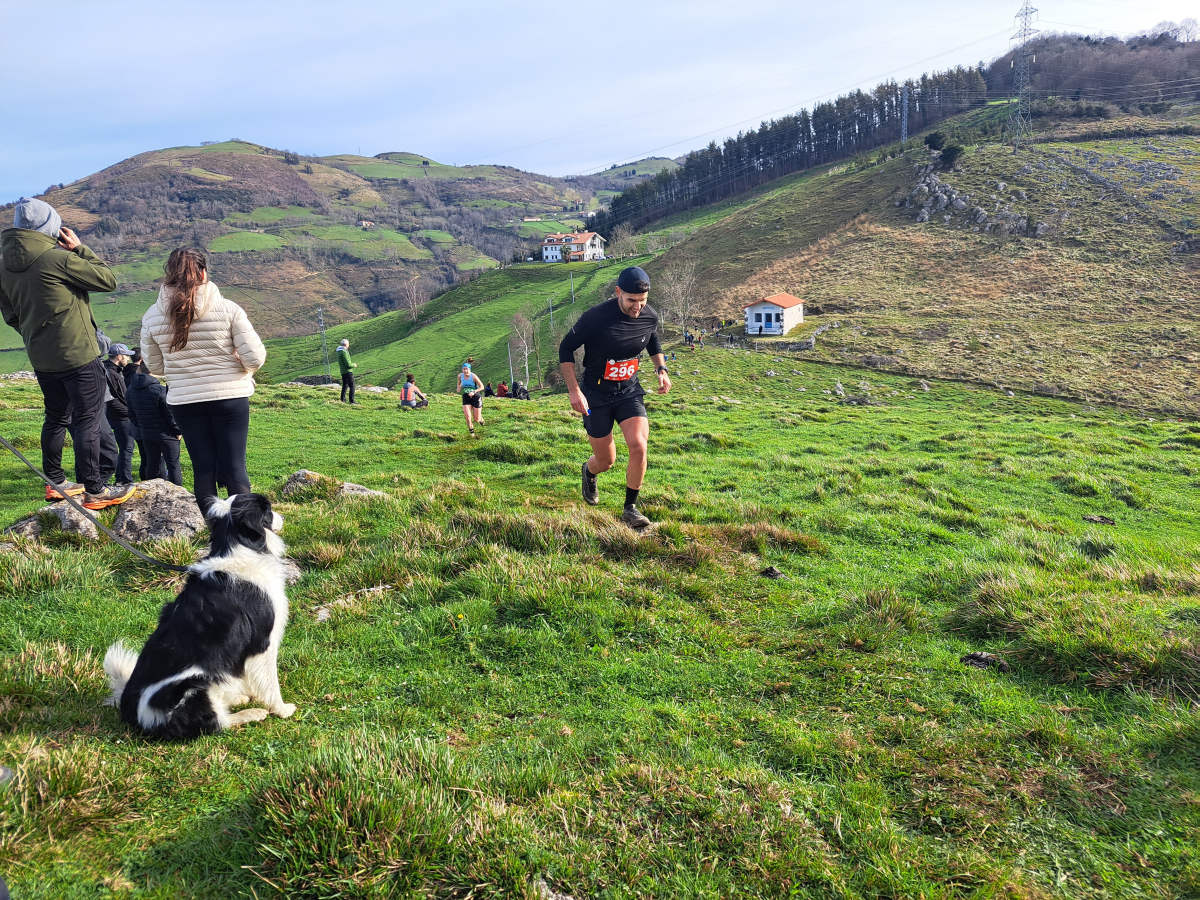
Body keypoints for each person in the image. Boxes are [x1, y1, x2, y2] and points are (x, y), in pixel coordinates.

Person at [0, 198, 133, 509]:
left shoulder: (3, 266)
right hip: (78, 354)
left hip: (42, 357)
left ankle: (55, 483)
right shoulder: (56, 259)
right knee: (87, 419)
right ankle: (95, 492)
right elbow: (107, 280)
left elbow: (9, 313)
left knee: (56, 417)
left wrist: (37, 335)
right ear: (52, 227)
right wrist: (79, 249)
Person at [140, 248, 266, 513]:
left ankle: (216, 532)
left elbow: (154, 366)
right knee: (235, 468)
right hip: (230, 397)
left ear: (169, 274)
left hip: (185, 401)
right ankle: (244, 534)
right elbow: (254, 357)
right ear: (203, 272)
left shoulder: (153, 316)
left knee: (203, 469)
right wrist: (237, 365)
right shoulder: (228, 309)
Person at [558, 265, 670, 529]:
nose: (637, 307)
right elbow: (566, 348)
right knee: (606, 460)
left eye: (642, 301)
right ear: (618, 292)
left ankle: (630, 508)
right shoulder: (595, 318)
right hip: (595, 394)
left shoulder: (648, 314)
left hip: (629, 390)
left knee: (639, 444)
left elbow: (652, 338)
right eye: (631, 300)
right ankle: (589, 471)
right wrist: (574, 391)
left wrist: (661, 369)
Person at [126, 365, 183, 485]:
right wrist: (178, 431)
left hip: (146, 433)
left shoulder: (131, 389)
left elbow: (131, 414)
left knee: (152, 464)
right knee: (173, 465)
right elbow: (169, 415)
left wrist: (142, 426)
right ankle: (177, 492)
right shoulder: (160, 390)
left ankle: (151, 490)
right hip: (166, 434)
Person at [103, 343, 136, 484]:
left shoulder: (112, 370)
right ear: (119, 356)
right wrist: (130, 413)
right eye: (126, 355)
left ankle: (121, 478)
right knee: (126, 448)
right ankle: (124, 479)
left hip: (118, 415)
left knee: (125, 447)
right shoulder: (111, 372)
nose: (128, 359)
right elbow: (111, 400)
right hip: (120, 416)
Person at [457, 362, 484, 435]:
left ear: (470, 369)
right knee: (468, 417)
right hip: (466, 397)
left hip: (475, 396)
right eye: (464, 369)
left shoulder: (473, 376)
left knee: (476, 419)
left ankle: (481, 418)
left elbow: (482, 387)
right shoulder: (460, 376)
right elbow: (459, 383)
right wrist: (458, 387)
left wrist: (474, 391)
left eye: (467, 369)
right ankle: (472, 433)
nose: (465, 371)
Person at [336, 338, 357, 403]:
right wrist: (354, 365)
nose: (349, 346)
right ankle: (352, 401)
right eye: (348, 344)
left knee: (345, 385)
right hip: (347, 372)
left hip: (343, 371)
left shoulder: (340, 351)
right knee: (352, 386)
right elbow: (348, 364)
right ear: (346, 345)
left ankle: (342, 399)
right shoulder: (343, 352)